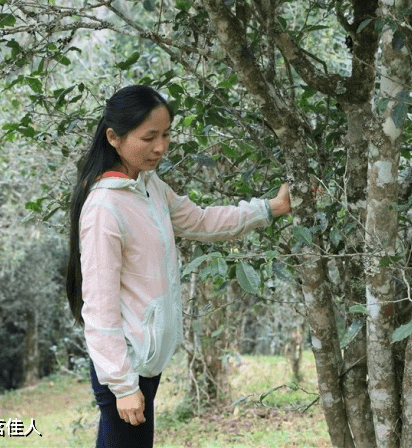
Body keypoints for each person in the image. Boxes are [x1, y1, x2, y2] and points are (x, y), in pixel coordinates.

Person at [65, 84, 291, 448]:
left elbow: (200, 221)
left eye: (166, 134)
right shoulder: (105, 209)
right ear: (113, 137)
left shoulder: (149, 185)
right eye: (148, 137)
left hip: (143, 363)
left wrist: (269, 209)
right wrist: (123, 385)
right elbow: (100, 307)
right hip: (126, 368)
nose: (160, 147)